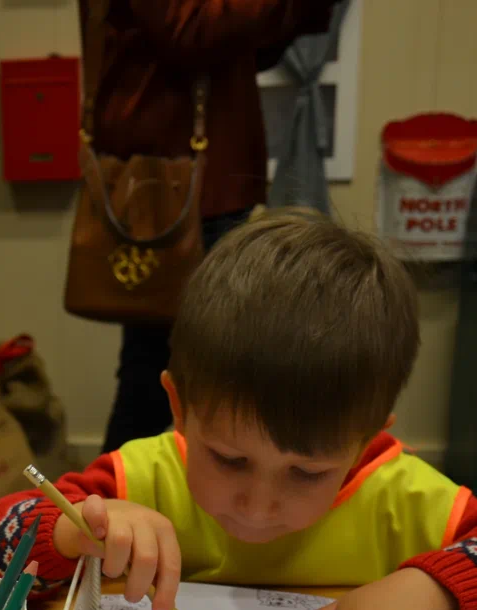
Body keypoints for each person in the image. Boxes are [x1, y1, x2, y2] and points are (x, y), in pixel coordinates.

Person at [0, 211, 477, 610]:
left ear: (363, 441)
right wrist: (71, 533)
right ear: (180, 407)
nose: (259, 505)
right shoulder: (140, 479)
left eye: (307, 472)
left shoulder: (402, 497)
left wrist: (429, 590)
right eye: (230, 459)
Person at [84, 0, 340, 452]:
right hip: (177, 185)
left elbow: (248, 49)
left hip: (207, 180)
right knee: (162, 371)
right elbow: (189, 30)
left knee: (195, 367)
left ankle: (142, 485)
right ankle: (115, 490)